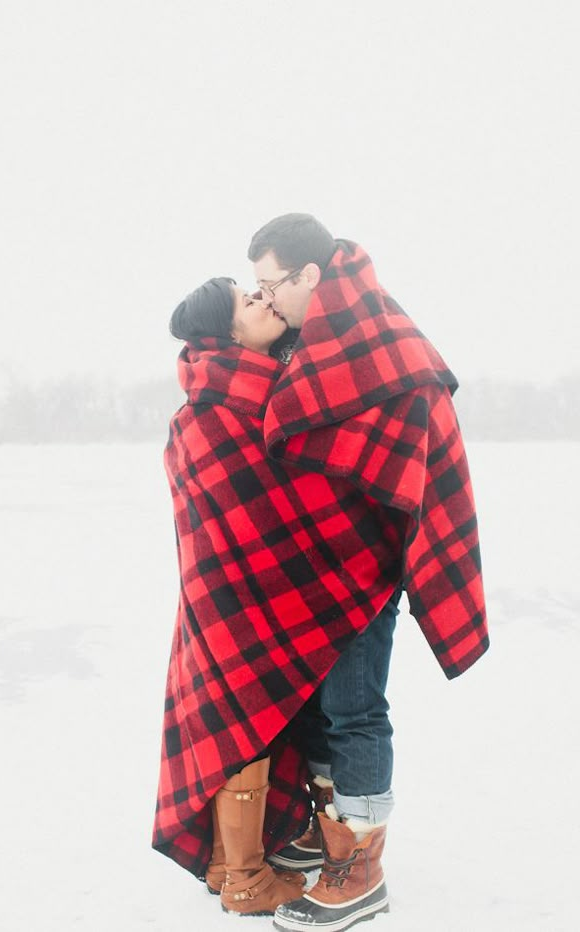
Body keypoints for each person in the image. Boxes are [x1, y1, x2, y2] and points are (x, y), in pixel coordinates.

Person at [152, 276, 431, 918]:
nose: (262, 301)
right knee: (250, 712)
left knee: (295, 713)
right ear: (227, 333)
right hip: (238, 594)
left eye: (262, 289)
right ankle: (244, 871)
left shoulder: (276, 385)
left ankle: (252, 864)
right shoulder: (219, 406)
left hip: (303, 587)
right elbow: (237, 511)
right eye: (247, 301)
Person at [245, 213, 489, 932]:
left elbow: (413, 440)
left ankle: (362, 870)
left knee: (355, 715)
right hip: (310, 568)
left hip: (361, 571)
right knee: (319, 714)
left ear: (309, 276)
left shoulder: (381, 338)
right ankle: (330, 840)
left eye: (271, 284)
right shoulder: (310, 341)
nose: (267, 300)